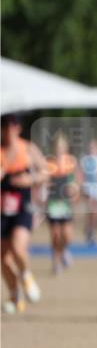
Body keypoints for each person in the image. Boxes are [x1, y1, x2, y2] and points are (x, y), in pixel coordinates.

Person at [1, 114, 48, 314]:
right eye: (5, 125)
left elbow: (46, 171)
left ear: (18, 128)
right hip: (2, 209)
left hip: (22, 207)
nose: (10, 129)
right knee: (3, 259)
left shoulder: (27, 149)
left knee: (19, 248)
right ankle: (14, 296)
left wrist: (31, 179)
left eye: (13, 125)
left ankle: (26, 276)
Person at [44, 132, 80, 274]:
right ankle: (56, 262)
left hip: (65, 204)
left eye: (62, 147)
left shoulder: (71, 163)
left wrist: (74, 190)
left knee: (66, 235)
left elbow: (76, 182)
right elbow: (44, 182)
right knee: (55, 234)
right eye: (57, 146)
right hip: (53, 204)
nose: (60, 149)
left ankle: (64, 251)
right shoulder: (49, 163)